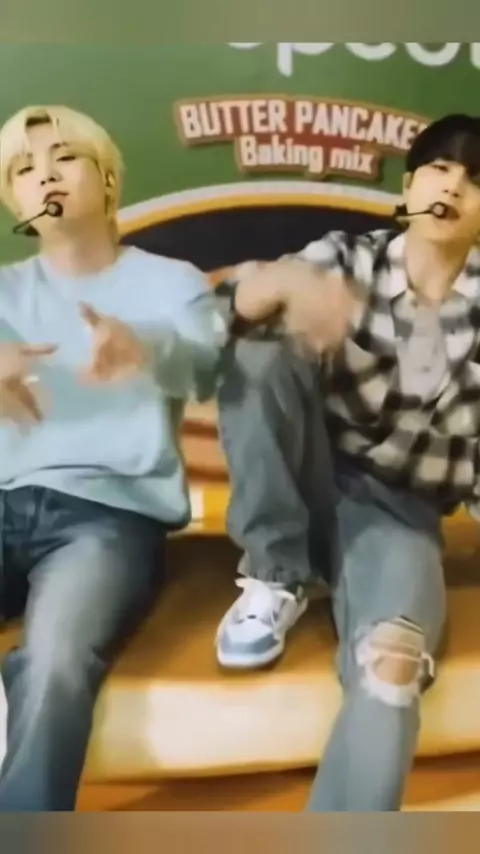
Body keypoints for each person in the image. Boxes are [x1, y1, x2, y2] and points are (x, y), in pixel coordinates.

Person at [214, 113, 480, 811]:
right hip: (303, 476)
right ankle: (275, 574)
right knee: (260, 348)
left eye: (475, 178)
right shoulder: (346, 257)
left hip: (396, 511)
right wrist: (268, 289)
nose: (453, 186)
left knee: (393, 668)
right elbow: (211, 329)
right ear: (409, 184)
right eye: (439, 168)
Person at [0, 105, 224, 811]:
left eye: (63, 157)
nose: (44, 176)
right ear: (13, 201)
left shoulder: (171, 280)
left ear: (106, 179)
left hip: (108, 520)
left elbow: (210, 372)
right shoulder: (4, 289)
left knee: (56, 658)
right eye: (23, 168)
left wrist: (144, 347)